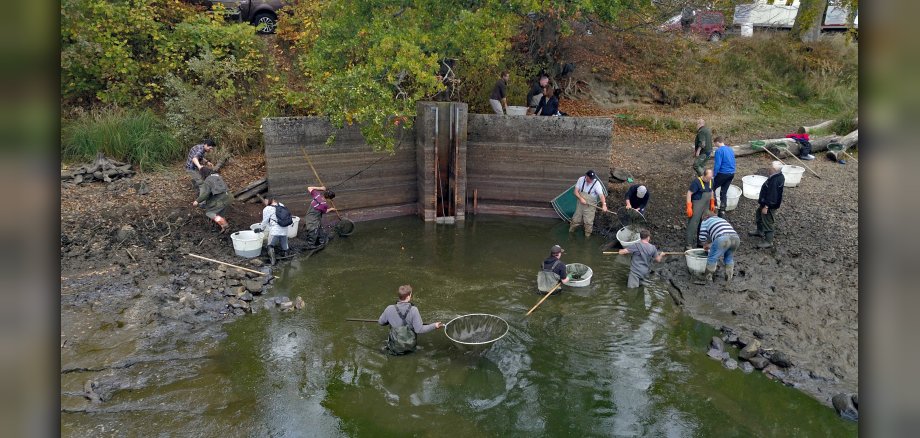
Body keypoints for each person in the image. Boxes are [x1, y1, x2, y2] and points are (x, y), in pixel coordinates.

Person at [378, 285, 443, 355]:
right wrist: (434, 325)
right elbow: (419, 330)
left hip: (395, 348)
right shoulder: (414, 310)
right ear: (408, 297)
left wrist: (389, 320)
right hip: (410, 348)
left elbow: (381, 322)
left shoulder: (389, 308)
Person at [750, 161, 785, 249]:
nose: (769, 168)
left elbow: (772, 195)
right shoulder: (778, 176)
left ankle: (768, 241)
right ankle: (760, 231)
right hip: (765, 202)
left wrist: (766, 206)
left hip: (769, 205)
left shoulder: (775, 180)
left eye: (770, 167)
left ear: (774, 169)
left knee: (768, 221)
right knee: (759, 215)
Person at [698, 211, 741, 282]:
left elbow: (702, 237)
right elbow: (723, 234)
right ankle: (729, 278)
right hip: (736, 239)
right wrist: (710, 245)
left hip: (722, 239)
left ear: (704, 217)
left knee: (712, 258)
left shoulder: (705, 221)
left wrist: (705, 244)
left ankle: (708, 279)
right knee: (729, 258)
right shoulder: (722, 219)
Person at [192, 167, 232, 233]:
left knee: (210, 213)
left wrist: (197, 201)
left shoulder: (208, 180)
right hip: (229, 197)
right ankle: (223, 227)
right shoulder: (218, 176)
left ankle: (226, 226)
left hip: (221, 199)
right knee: (220, 214)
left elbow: (206, 193)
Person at [570, 170, 609, 238]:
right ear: (586, 176)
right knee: (575, 220)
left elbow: (601, 195)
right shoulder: (581, 179)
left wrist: (604, 205)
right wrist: (580, 198)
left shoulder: (597, 183)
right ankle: (571, 233)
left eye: (592, 178)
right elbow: (575, 192)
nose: (591, 180)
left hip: (590, 206)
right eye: (590, 178)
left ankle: (587, 236)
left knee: (588, 222)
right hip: (580, 203)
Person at [256, 195, 293, 265]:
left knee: (270, 245)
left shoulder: (267, 209)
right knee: (285, 246)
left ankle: (273, 261)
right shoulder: (281, 205)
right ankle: (287, 261)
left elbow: (265, 221)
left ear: (270, 200)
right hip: (284, 229)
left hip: (275, 231)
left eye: (266, 200)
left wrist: (261, 229)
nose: (265, 202)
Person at [685, 169, 714, 250]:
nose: (708, 180)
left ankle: (700, 242)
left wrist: (712, 201)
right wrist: (689, 206)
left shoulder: (711, 180)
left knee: (704, 224)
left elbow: (711, 191)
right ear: (703, 175)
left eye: (710, 178)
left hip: (706, 205)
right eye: (707, 178)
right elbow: (689, 193)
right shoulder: (696, 182)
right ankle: (688, 245)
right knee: (693, 224)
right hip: (697, 204)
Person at [304, 185, 336, 249]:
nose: (332, 200)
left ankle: (320, 240)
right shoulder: (324, 205)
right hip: (313, 219)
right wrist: (331, 209)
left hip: (309, 215)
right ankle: (310, 245)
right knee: (313, 230)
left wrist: (321, 188)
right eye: (331, 199)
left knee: (319, 228)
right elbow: (325, 211)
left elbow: (309, 188)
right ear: (329, 198)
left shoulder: (317, 195)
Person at [711, 136, 736, 218]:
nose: (715, 145)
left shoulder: (719, 151)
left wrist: (713, 175)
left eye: (715, 143)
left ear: (718, 142)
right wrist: (732, 173)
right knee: (723, 192)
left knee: (712, 187)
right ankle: (722, 211)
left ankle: (713, 206)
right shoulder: (730, 149)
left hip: (723, 173)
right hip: (731, 173)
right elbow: (733, 161)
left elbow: (717, 164)